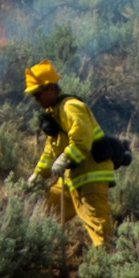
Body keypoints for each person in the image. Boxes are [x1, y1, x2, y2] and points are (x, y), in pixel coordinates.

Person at [25, 59, 114, 248]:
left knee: (99, 230)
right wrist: (38, 175)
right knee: (44, 213)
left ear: (50, 89)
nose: (36, 100)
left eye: (38, 94)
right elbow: (51, 151)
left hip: (91, 176)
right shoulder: (55, 114)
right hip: (70, 179)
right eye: (33, 96)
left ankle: (107, 267)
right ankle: (39, 256)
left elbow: (82, 140)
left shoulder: (71, 107)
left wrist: (65, 159)